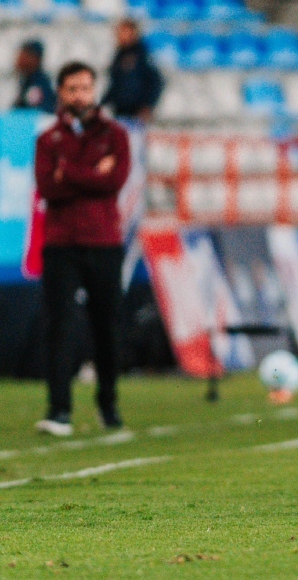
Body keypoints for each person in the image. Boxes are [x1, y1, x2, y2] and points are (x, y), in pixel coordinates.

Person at [33, 62, 132, 437]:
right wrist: (94, 172)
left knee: (106, 326)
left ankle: (108, 404)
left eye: (86, 88)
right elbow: (48, 189)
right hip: (61, 244)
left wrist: (69, 171)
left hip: (104, 242)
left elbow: (116, 181)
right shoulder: (48, 140)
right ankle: (59, 410)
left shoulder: (115, 134)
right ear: (60, 91)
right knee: (59, 326)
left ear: (94, 90)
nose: (80, 95)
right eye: (72, 88)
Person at [102, 18, 164, 125]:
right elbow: (116, 84)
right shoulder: (119, 55)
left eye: (124, 32)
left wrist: (148, 106)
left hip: (136, 113)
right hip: (119, 111)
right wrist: (103, 104)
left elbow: (157, 82)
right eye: (119, 32)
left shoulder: (142, 54)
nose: (119, 35)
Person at [12, 39, 56, 114]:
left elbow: (42, 114)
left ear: (35, 59)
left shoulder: (39, 85)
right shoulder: (26, 81)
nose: (18, 60)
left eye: (23, 56)